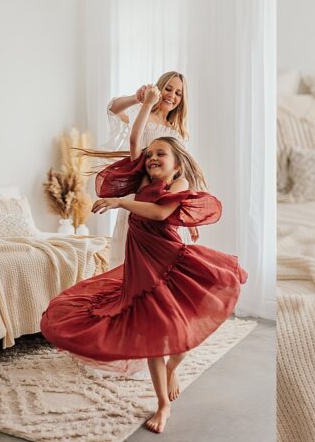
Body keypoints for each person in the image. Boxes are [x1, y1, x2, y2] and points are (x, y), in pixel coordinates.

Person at [41, 131, 247, 434]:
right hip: (141, 265)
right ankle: (163, 404)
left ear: (177, 165)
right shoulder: (143, 183)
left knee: (181, 332)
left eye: (161, 154)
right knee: (154, 337)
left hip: (168, 262)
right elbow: (136, 145)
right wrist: (146, 107)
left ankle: (172, 368)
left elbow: (161, 211)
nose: (152, 158)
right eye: (150, 155)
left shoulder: (179, 182)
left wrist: (121, 203)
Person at [105, 72, 197, 265]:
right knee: (132, 259)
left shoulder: (178, 133)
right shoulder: (143, 114)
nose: (172, 95)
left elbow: (182, 172)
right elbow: (113, 109)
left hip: (165, 199)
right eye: (168, 89)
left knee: (163, 263)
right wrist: (138, 99)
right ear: (158, 88)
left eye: (178, 93)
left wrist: (190, 220)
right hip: (139, 195)